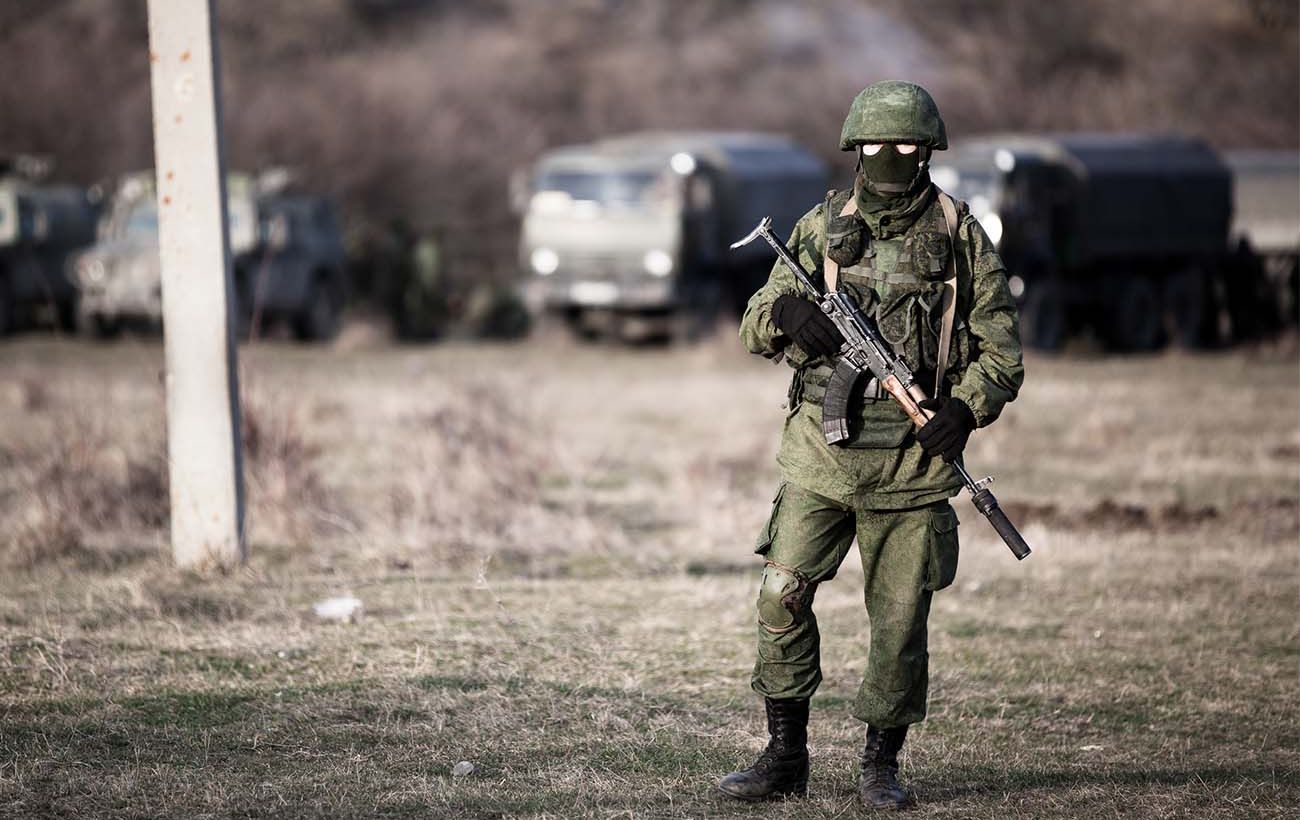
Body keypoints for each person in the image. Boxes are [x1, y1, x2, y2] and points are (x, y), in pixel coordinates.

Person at [718, 81, 1024, 809]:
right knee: (781, 594)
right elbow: (754, 324)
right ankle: (785, 755)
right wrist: (789, 312)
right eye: (878, 144)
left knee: (898, 625)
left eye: (908, 144)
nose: (891, 156)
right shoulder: (821, 228)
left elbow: (1001, 356)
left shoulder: (960, 236)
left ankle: (880, 766)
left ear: (930, 150)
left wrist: (964, 409)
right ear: (855, 148)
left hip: (914, 467)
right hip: (820, 461)